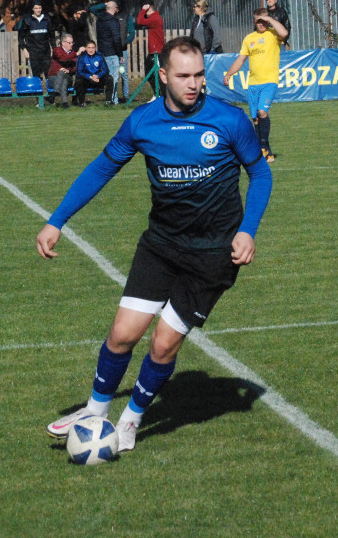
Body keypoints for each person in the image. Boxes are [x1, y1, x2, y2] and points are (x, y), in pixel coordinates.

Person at [39, 36, 273, 453]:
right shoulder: (142, 122)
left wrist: (248, 229)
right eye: (183, 76)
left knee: (163, 344)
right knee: (121, 335)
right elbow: (102, 169)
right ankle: (94, 411)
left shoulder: (230, 120)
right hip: (161, 245)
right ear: (163, 75)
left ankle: (129, 421)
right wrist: (57, 221)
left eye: (199, 75)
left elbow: (260, 173)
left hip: (213, 254)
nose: (194, 84)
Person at [222, 8, 288, 163]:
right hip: (253, 84)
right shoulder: (249, 38)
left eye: (264, 21)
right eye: (258, 21)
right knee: (256, 119)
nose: (261, 24)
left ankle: (263, 146)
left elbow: (284, 33)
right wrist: (229, 74)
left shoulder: (273, 34)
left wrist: (269, 19)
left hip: (269, 81)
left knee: (262, 112)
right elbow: (241, 59)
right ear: (254, 22)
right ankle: (266, 152)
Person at [92, 1, 126, 105]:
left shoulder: (100, 18)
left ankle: (108, 98)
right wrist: (120, 54)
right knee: (114, 78)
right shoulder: (113, 21)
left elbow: (92, 8)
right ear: (115, 8)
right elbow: (116, 39)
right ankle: (113, 100)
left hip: (102, 52)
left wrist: (104, 4)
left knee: (106, 77)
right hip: (112, 53)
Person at [16, 0, 54, 82]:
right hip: (33, 52)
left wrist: (53, 49)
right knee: (36, 76)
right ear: (32, 9)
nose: (38, 10)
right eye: (36, 8)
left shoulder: (46, 19)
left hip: (45, 52)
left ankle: (50, 89)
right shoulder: (27, 20)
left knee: (49, 74)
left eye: (40, 8)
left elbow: (52, 36)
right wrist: (24, 49)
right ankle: (38, 89)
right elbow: (20, 36)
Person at [137, 0, 165, 95]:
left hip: (157, 52)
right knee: (149, 74)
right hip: (153, 51)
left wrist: (143, 9)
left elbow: (140, 21)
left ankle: (161, 95)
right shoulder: (153, 18)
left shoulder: (154, 18)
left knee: (158, 75)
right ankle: (157, 94)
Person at [73, 40, 114, 107]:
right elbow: (79, 72)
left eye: (93, 48)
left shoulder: (99, 56)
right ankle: (82, 102)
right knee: (78, 81)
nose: (91, 50)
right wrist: (90, 76)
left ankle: (108, 101)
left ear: (95, 48)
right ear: (86, 48)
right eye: (89, 48)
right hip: (87, 80)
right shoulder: (82, 57)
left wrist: (98, 76)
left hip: (98, 79)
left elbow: (105, 70)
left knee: (109, 78)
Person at [48, 34, 81, 108]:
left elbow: (76, 67)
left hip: (67, 77)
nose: (71, 44)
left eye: (72, 42)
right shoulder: (56, 50)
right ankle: (65, 103)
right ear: (63, 43)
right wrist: (77, 54)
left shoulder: (73, 53)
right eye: (69, 43)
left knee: (63, 75)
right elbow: (63, 58)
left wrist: (68, 70)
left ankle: (54, 94)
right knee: (62, 76)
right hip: (54, 77)